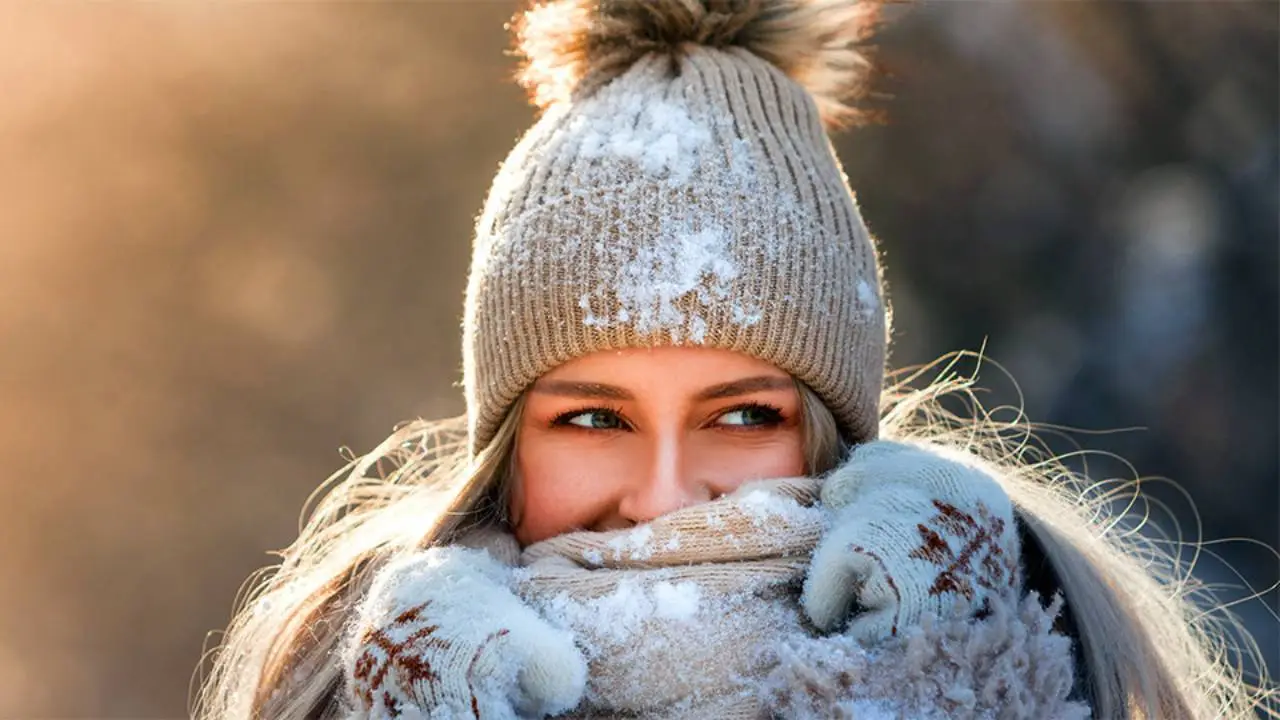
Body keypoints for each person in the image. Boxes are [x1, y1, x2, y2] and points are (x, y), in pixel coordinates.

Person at [193, 1, 1276, 718]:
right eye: (590, 419)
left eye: (743, 416)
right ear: (503, 452)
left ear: (832, 438)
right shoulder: (356, 686)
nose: (662, 495)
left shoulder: (1062, 680)